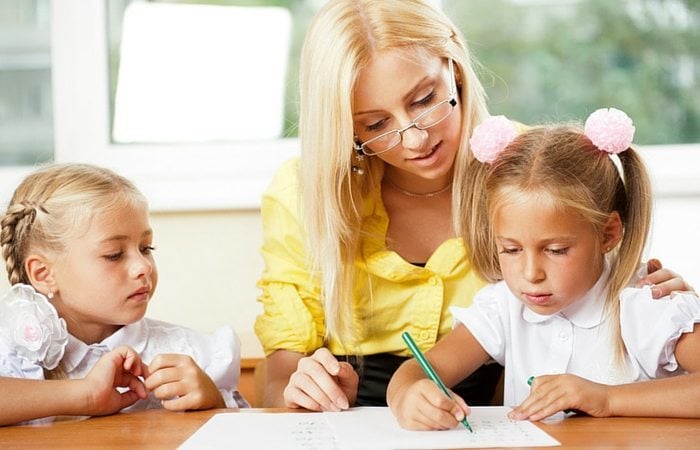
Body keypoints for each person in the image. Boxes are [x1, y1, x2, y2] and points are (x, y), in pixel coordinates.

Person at [254, 0, 692, 412]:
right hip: (356, 411)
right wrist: (305, 392)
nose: (415, 139)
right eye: (375, 125)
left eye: (425, 100)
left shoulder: (524, 171)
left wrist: (663, 300)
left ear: (455, 68)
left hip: (503, 407)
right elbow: (277, 377)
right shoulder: (305, 192)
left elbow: (602, 277)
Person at [387, 108, 700, 430]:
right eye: (510, 249)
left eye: (556, 250)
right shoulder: (503, 308)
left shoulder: (646, 305)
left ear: (608, 234)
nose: (531, 273)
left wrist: (607, 399)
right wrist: (408, 395)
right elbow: (417, 371)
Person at [0, 163, 247, 426]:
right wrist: (83, 394)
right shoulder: (9, 352)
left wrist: (213, 402)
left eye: (146, 248)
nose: (144, 267)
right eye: (114, 255)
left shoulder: (192, 355)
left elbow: (244, 435)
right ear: (43, 274)